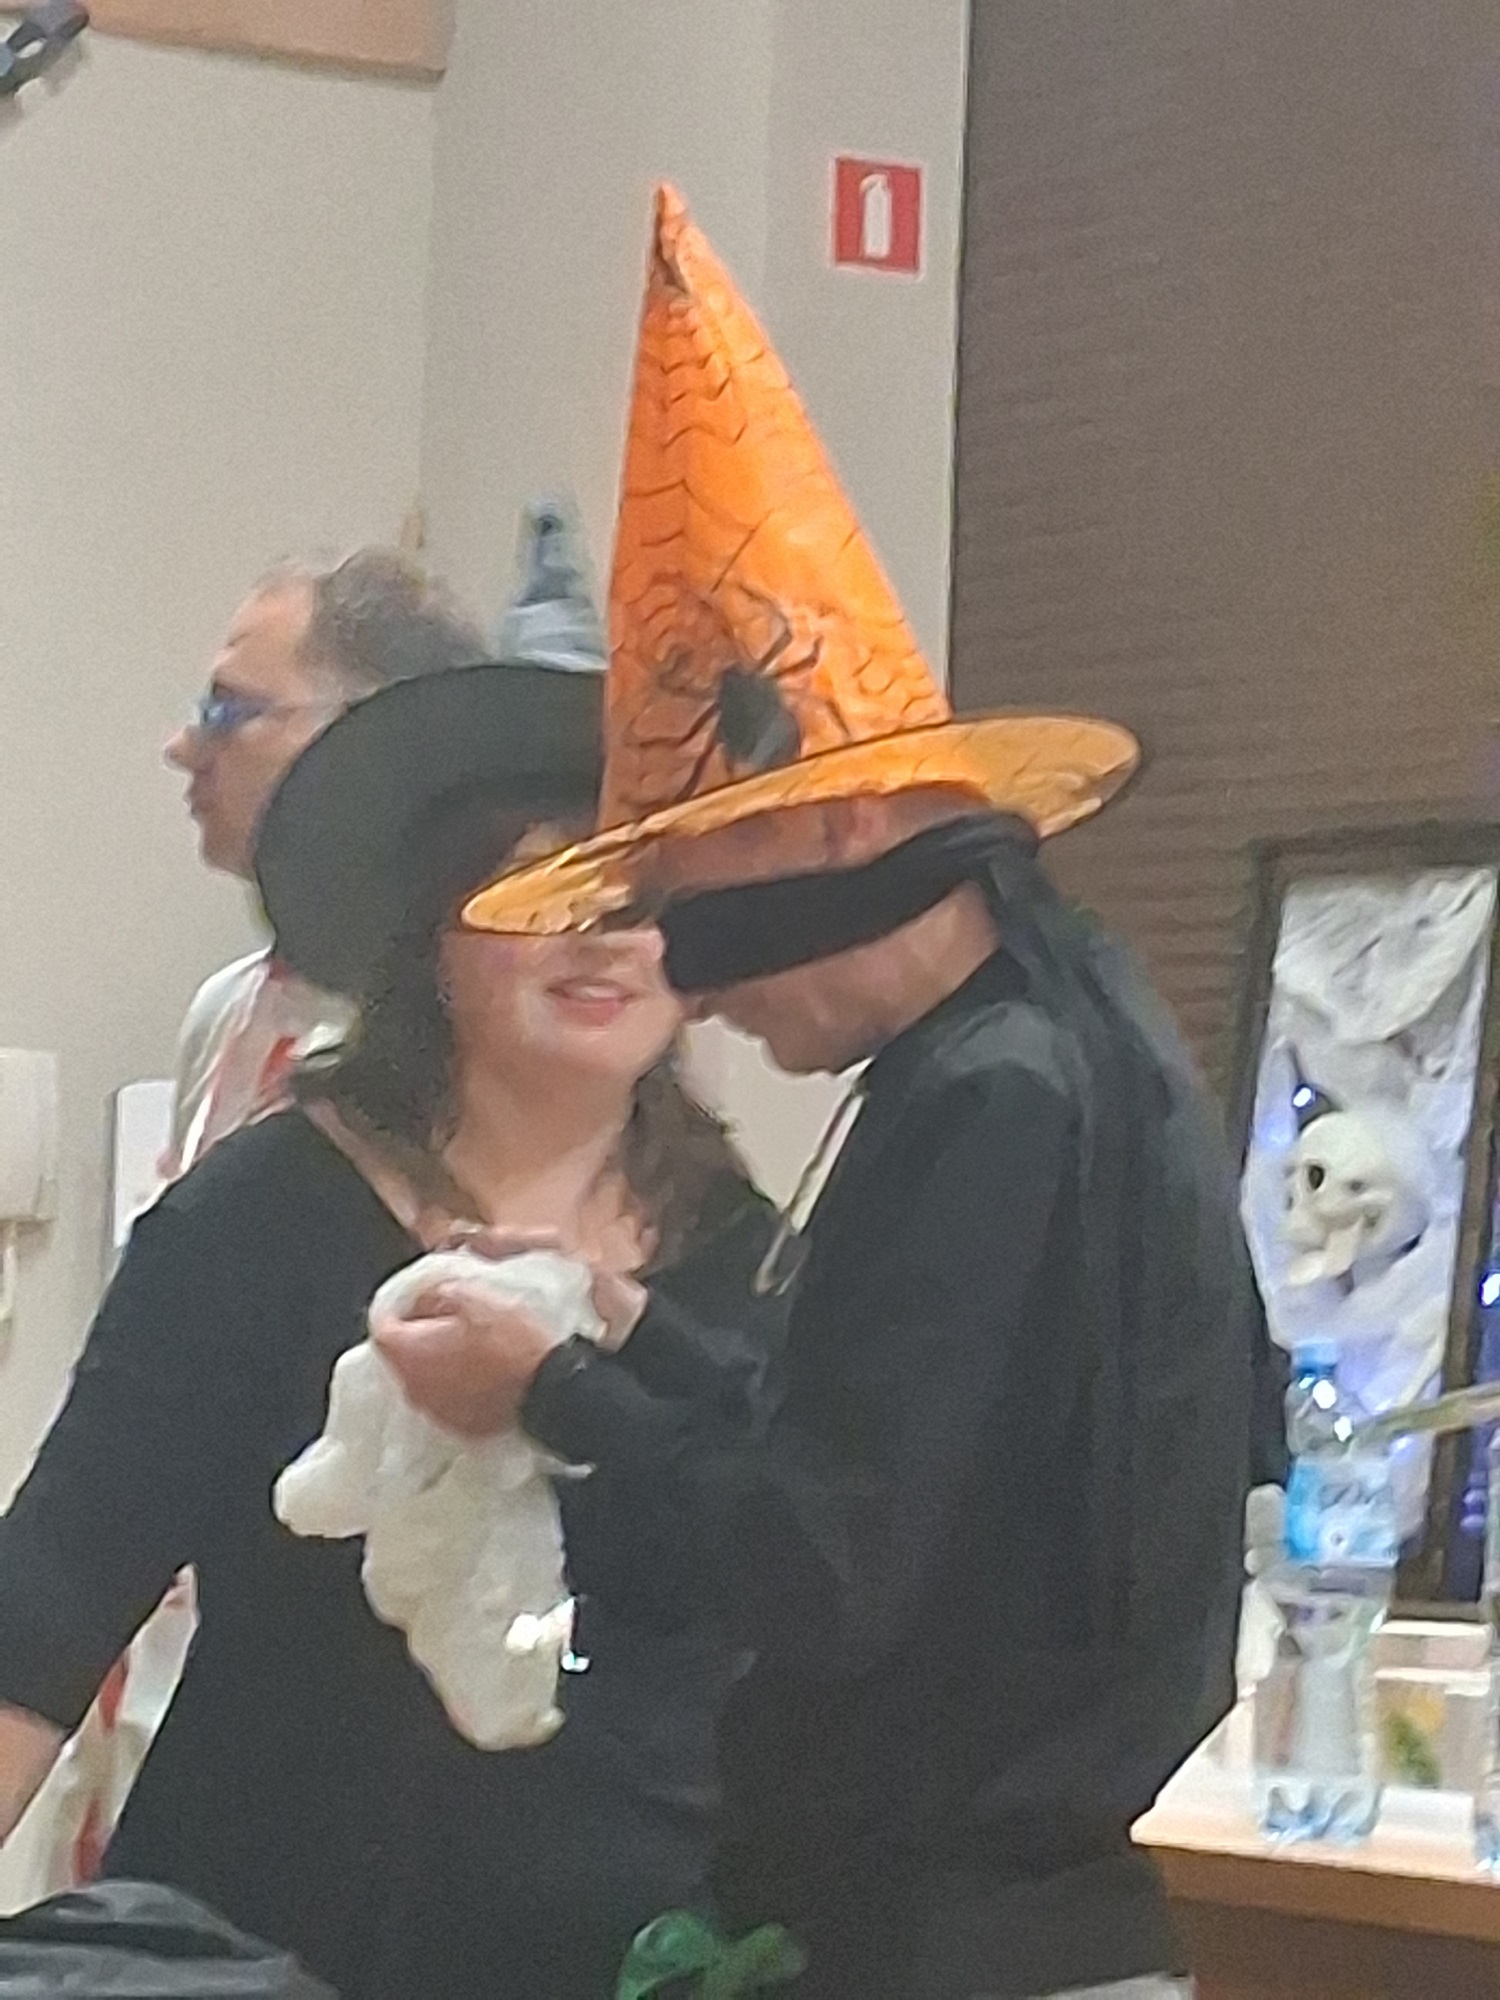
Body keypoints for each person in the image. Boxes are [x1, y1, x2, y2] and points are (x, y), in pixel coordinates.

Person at [377, 187, 1270, 2000]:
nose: (692, 985)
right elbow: (886, 1449)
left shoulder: (995, 1100)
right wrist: (625, 1328)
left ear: (844, 824)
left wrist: (544, 1391)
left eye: (695, 905)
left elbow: (817, 1568)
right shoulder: (1057, 1032)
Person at [0, 597, 779, 1998]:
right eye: (540, 891)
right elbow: (45, 1611)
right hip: (259, 1951)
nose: (604, 938)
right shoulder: (259, 1217)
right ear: (433, 932)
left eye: (643, 897)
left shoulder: (742, 1257)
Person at [163, 545, 487, 1178]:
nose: (182, 748)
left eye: (228, 711)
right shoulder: (227, 1009)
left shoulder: (479, 1025)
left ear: (370, 737)